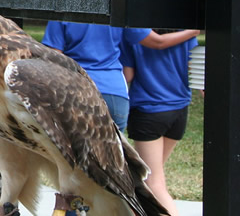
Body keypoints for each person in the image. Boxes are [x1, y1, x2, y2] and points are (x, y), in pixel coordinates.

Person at [42, 21, 199, 131]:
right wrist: (192, 31)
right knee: (114, 163)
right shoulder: (118, 10)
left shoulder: (63, 14)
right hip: (114, 94)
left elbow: (54, 59)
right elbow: (157, 42)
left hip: (76, 91)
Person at [120, 29, 200, 216]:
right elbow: (193, 66)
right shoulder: (186, 32)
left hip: (149, 111)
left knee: (153, 183)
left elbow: (128, 75)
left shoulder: (133, 34)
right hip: (179, 111)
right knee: (150, 180)